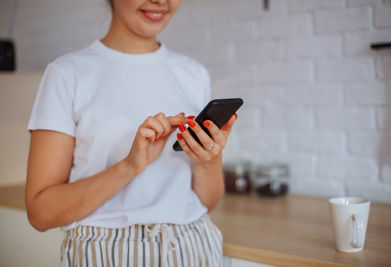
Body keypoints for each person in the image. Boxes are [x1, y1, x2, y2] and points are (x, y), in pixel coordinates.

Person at [25, 0, 237, 266]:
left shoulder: (194, 74)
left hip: (192, 247)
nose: (161, 1)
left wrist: (210, 159)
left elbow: (206, 202)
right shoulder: (67, 74)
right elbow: (41, 213)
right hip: (104, 255)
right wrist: (129, 167)